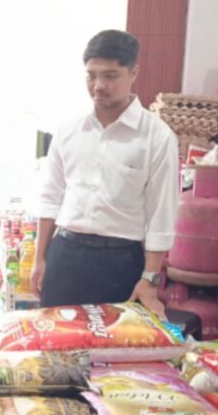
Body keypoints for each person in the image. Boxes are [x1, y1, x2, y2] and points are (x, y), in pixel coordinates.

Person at [32, 30, 179, 318]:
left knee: (113, 353)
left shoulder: (157, 137)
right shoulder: (69, 130)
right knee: (57, 349)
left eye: (111, 75)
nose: (99, 85)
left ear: (133, 73)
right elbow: (50, 196)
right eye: (91, 75)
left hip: (121, 262)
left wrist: (149, 279)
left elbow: (162, 214)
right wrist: (41, 259)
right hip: (66, 255)